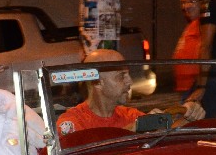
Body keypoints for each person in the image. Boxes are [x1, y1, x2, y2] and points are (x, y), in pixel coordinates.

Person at [55, 49, 204, 136]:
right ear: (97, 82)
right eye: (121, 76)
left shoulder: (130, 115)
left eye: (128, 74)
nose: (130, 82)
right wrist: (133, 128)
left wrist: (189, 117)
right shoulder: (72, 121)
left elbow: (165, 135)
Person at [172, 0, 203, 94]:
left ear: (201, 3)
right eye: (183, 3)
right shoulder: (192, 25)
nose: (186, 6)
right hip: (185, 86)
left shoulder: (203, 25)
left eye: (191, 1)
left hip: (195, 86)